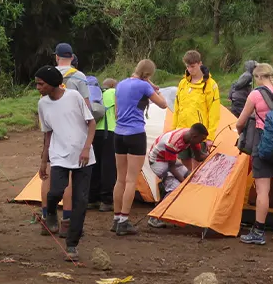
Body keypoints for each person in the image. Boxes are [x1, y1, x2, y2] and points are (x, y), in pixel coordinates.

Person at [35, 65, 95, 262]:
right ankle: (50, 212)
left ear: (52, 83)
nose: (38, 87)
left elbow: (91, 123)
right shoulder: (43, 104)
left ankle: (71, 245)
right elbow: (48, 133)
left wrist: (86, 148)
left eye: (41, 84)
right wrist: (44, 160)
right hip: (59, 154)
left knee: (81, 201)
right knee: (55, 191)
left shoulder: (74, 97)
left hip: (83, 155)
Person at [236, 63, 273, 245]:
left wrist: (241, 133)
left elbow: (241, 121)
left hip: (263, 144)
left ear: (258, 77)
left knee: (263, 190)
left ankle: (258, 231)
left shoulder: (256, 94)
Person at [112, 59, 167, 235]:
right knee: (131, 179)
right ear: (149, 74)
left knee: (120, 178)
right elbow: (163, 104)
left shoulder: (120, 84)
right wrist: (153, 86)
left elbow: (116, 111)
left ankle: (116, 218)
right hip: (135, 134)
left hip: (118, 133)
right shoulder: (144, 87)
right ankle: (124, 220)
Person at [40, 42, 90, 235]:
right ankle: (67, 222)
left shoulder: (46, 74)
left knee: (50, 173)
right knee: (69, 176)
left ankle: (47, 218)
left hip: (51, 130)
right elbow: (86, 106)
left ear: (56, 57)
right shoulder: (79, 76)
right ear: (73, 56)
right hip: (73, 132)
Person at [146, 123, 209, 228]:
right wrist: (183, 181)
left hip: (169, 160)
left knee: (189, 175)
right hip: (158, 161)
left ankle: (175, 210)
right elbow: (171, 167)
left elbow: (199, 157)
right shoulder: (173, 143)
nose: (201, 142)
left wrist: (210, 154)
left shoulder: (192, 138)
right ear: (195, 136)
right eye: (201, 140)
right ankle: (154, 217)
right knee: (175, 187)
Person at [174, 50, 221, 171]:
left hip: (199, 134)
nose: (190, 69)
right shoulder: (182, 83)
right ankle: (189, 183)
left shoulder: (210, 85)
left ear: (200, 64)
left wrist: (210, 136)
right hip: (182, 132)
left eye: (193, 66)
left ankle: (195, 185)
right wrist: (174, 130)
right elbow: (177, 108)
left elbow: (214, 112)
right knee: (184, 165)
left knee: (198, 167)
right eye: (187, 66)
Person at [88, 77, 118, 212]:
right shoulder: (114, 92)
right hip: (110, 131)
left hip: (94, 132)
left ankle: (92, 199)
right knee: (108, 166)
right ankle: (106, 200)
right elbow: (118, 113)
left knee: (95, 165)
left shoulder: (96, 95)